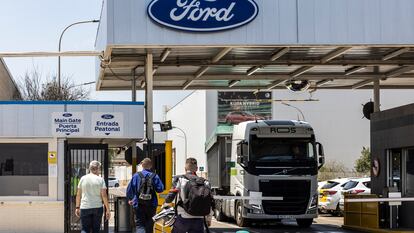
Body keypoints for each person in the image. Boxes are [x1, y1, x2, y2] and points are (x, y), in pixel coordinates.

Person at [164, 158, 213, 233]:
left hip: (183, 218)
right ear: (196, 169)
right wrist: (208, 219)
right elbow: (209, 202)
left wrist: (165, 206)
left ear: (185, 168)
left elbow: (170, 197)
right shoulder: (205, 182)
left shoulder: (180, 179)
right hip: (199, 219)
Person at [127, 158, 164, 233]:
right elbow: (160, 189)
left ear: (142, 166)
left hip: (138, 204)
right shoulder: (155, 176)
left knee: (140, 225)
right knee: (150, 225)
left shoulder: (136, 176)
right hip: (152, 204)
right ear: (150, 166)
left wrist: (130, 199)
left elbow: (129, 190)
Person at [75, 161, 110, 233]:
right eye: (99, 169)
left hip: (85, 207)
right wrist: (108, 209)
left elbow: (78, 194)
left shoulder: (83, 179)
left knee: (85, 229)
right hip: (97, 207)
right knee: (96, 230)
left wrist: (77, 207)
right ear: (97, 169)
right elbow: (104, 195)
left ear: (90, 169)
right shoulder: (100, 179)